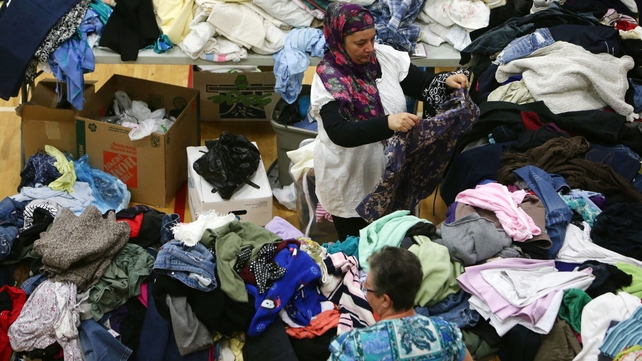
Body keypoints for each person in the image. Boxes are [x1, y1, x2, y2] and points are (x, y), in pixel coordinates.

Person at [311, 3, 470, 241]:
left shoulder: (385, 58)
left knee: (394, 243)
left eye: (372, 39)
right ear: (338, 40)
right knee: (358, 251)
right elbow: (340, 132)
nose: (369, 48)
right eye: (360, 43)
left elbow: (422, 85)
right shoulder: (328, 79)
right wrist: (387, 123)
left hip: (391, 176)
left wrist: (446, 81)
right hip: (351, 179)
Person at [328, 246, 474, 361]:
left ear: (385, 300)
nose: (364, 290)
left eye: (367, 287)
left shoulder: (354, 346)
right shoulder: (446, 332)